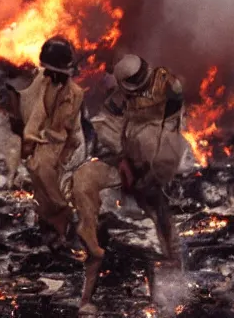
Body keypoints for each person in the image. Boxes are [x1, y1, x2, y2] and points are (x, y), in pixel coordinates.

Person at [71, 54, 184, 316]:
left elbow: (169, 132)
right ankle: (89, 237)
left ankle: (172, 261)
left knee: (159, 208)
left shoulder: (167, 85)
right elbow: (105, 128)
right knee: (85, 177)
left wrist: (146, 169)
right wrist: (122, 160)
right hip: (125, 162)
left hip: (156, 164)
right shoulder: (118, 100)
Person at [19, 36, 85, 244]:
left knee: (50, 181)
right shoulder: (41, 82)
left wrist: (63, 156)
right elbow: (33, 110)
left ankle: (66, 224)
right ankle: (50, 231)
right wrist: (29, 139)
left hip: (63, 144)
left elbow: (69, 130)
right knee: (40, 184)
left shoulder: (74, 94)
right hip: (41, 140)